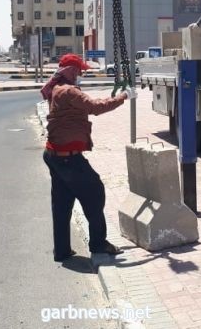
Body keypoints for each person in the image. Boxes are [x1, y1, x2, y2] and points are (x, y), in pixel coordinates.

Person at [41, 53, 135, 262]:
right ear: (71, 71)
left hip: (54, 155)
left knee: (62, 204)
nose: (81, 73)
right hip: (69, 159)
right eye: (79, 70)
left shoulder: (57, 89)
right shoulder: (69, 91)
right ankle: (98, 244)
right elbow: (95, 107)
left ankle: (62, 250)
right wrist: (123, 97)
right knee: (95, 193)